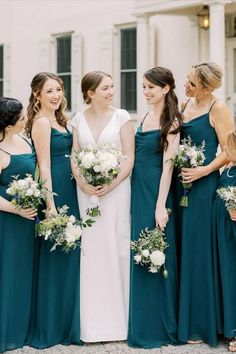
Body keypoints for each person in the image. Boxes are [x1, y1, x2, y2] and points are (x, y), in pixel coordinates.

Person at [70, 70, 134, 342]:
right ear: (90, 93)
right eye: (105, 88)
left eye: (112, 87)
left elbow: (129, 156)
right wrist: (83, 182)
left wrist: (112, 183)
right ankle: (92, 324)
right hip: (86, 193)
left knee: (116, 247)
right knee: (91, 250)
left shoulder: (123, 117)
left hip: (117, 191)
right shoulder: (77, 119)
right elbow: (73, 154)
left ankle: (121, 323)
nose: (111, 92)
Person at [177, 62, 234, 346]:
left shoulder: (218, 109)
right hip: (181, 185)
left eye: (190, 82)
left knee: (199, 252)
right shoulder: (186, 103)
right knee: (184, 248)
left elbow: (229, 150)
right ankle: (182, 321)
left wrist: (204, 170)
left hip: (203, 187)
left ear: (207, 87)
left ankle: (201, 324)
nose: (185, 85)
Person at [25, 72, 82, 348]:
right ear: (37, 95)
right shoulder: (42, 122)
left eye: (58, 89)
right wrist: (51, 205)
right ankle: (50, 327)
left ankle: (67, 324)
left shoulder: (63, 120)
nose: (55, 95)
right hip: (55, 191)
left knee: (70, 256)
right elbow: (44, 166)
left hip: (71, 189)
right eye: (49, 91)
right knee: (55, 257)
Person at [128, 67, 182, 348]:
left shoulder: (171, 121)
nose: (146, 91)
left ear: (166, 88)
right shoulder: (146, 115)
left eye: (151, 87)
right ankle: (141, 319)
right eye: (144, 86)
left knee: (156, 250)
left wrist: (160, 205)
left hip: (155, 189)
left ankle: (159, 325)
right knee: (139, 249)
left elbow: (168, 165)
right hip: (137, 188)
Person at [0, 97, 37, 352]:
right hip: (8, 222)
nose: (26, 120)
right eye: (22, 117)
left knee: (26, 273)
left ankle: (23, 329)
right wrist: (17, 209)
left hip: (29, 220)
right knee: (8, 274)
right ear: (9, 123)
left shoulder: (24, 140)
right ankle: (7, 331)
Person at [212, 130, 236, 352]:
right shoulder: (228, 167)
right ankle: (226, 326)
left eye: (228, 147)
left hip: (232, 230)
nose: (224, 151)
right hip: (223, 232)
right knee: (225, 275)